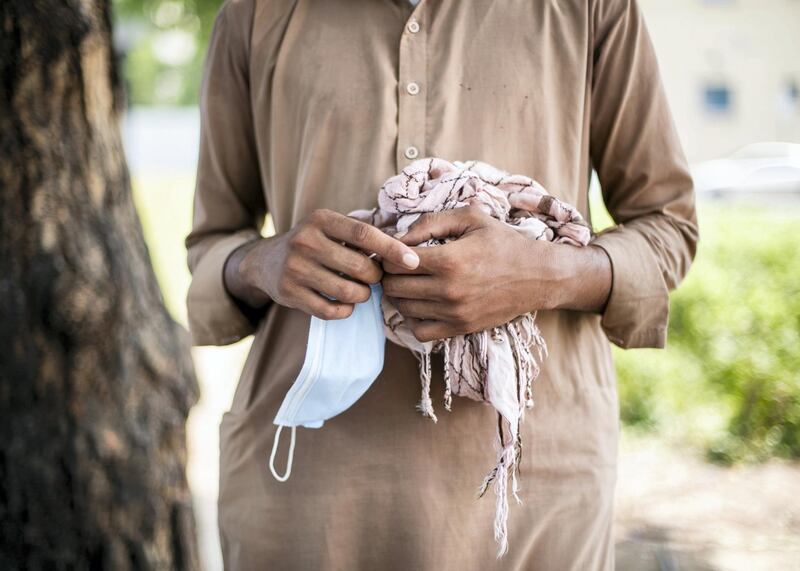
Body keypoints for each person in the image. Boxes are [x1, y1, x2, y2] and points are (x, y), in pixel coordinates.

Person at [185, 0, 698, 569]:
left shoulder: (593, 9)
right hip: (305, 481)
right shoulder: (255, 14)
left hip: (534, 486)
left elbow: (668, 227)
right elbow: (212, 243)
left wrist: (542, 273)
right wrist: (261, 263)